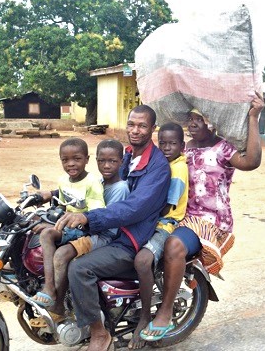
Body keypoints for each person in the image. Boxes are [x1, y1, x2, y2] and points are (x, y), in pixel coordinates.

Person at [140, 92, 265, 341]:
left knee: (174, 246)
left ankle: (165, 312)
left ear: (214, 121)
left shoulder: (223, 148)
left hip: (209, 221)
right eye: (191, 118)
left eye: (201, 118)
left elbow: (251, 161)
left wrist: (253, 118)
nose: (193, 123)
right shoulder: (181, 148)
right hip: (179, 216)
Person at [55, 104, 171, 351]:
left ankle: (100, 333)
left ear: (152, 129)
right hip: (114, 229)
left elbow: (134, 208)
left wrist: (89, 218)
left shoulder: (158, 166)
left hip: (131, 237)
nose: (136, 130)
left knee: (79, 268)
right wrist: (54, 194)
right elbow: (98, 183)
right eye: (131, 124)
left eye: (142, 126)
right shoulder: (128, 154)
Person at [29, 139, 130, 327]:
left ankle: (58, 307)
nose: (106, 165)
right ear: (96, 161)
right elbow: (73, 197)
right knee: (44, 235)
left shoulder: (119, 188)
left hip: (102, 235)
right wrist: (50, 199)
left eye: (112, 161)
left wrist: (75, 221)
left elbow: (106, 219)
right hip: (81, 228)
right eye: (102, 161)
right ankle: (50, 289)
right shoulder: (98, 181)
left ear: (121, 162)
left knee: (63, 255)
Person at [128, 122, 188, 349]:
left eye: (173, 144)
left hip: (166, 223)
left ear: (182, 145)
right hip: (155, 218)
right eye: (162, 143)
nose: (167, 147)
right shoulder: (162, 162)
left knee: (142, 260)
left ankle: (145, 315)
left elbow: (167, 206)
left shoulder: (178, 169)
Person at [29, 137, 105, 308]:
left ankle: (49, 288)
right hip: (69, 226)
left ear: (87, 159)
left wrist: (53, 227)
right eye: (65, 160)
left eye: (77, 159)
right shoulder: (63, 181)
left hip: (85, 230)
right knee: (34, 228)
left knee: (47, 233)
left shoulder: (92, 183)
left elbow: (94, 215)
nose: (71, 164)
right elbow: (64, 208)